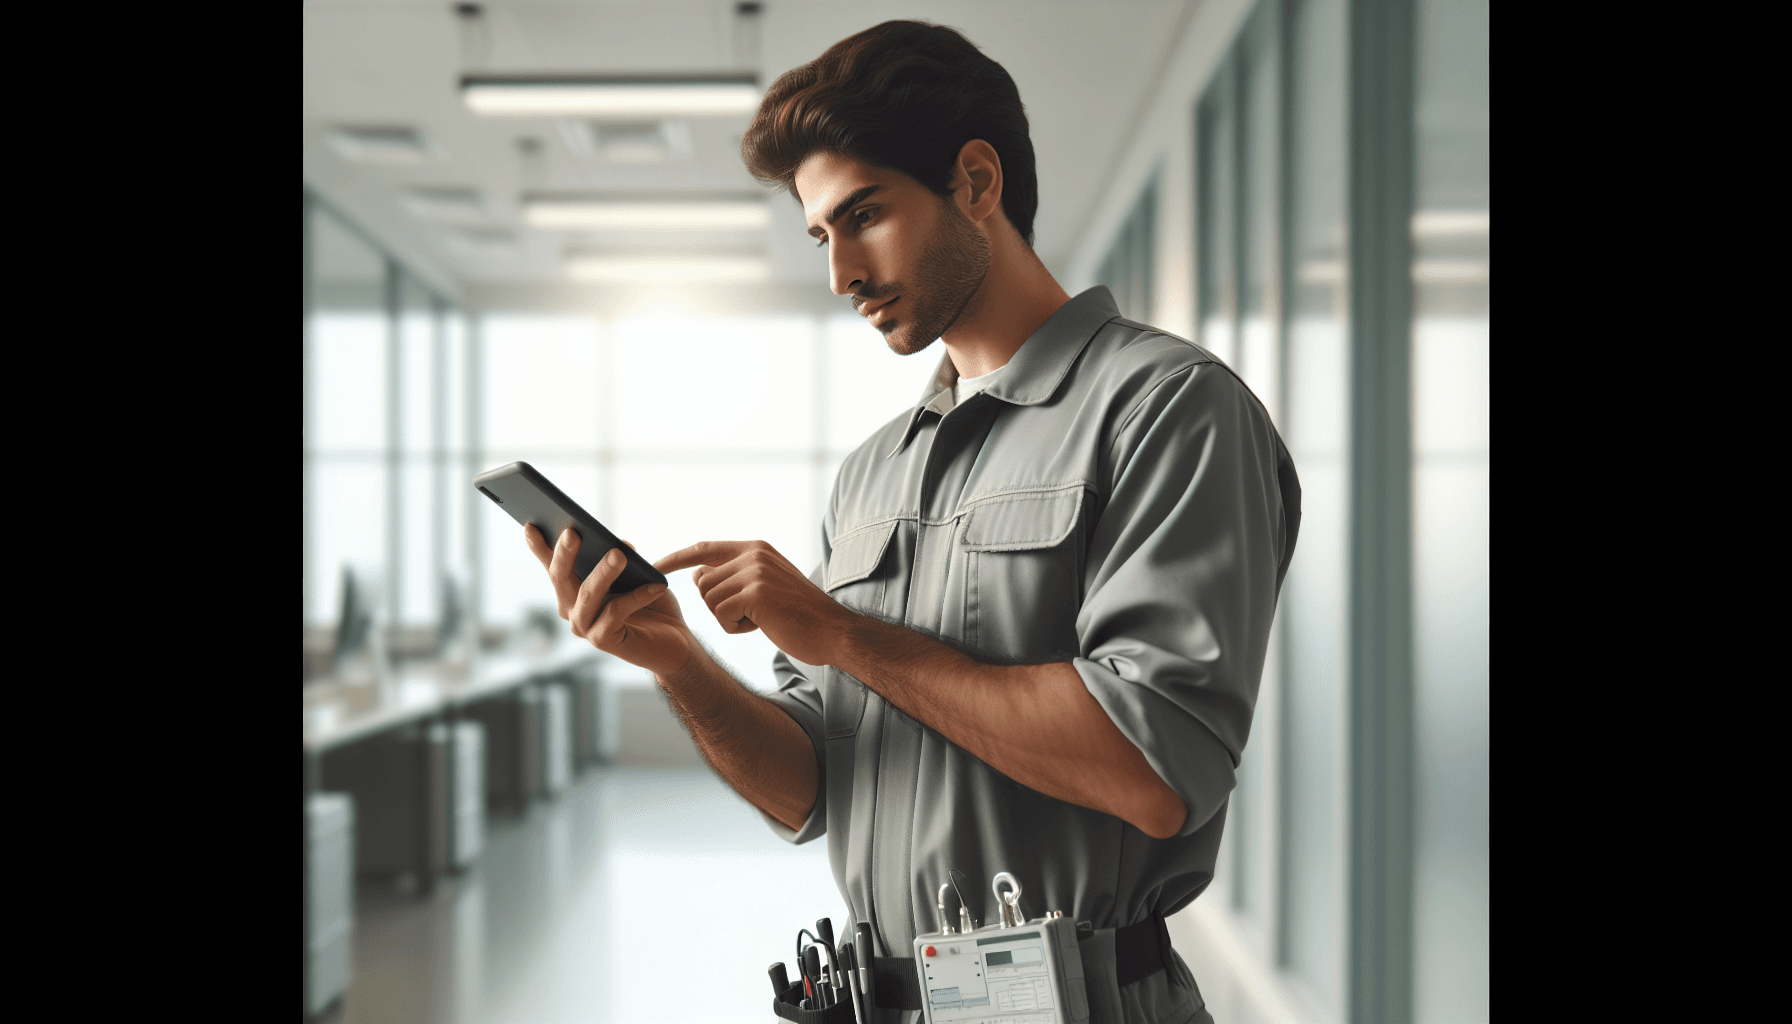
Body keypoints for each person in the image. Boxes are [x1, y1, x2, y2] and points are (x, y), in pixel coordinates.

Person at [524, 20, 1299, 1024]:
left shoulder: (1166, 407)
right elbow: (812, 789)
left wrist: (842, 632)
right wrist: (676, 659)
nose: (840, 270)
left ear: (976, 181)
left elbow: (1155, 768)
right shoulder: (869, 476)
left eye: (864, 215)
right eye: (820, 236)